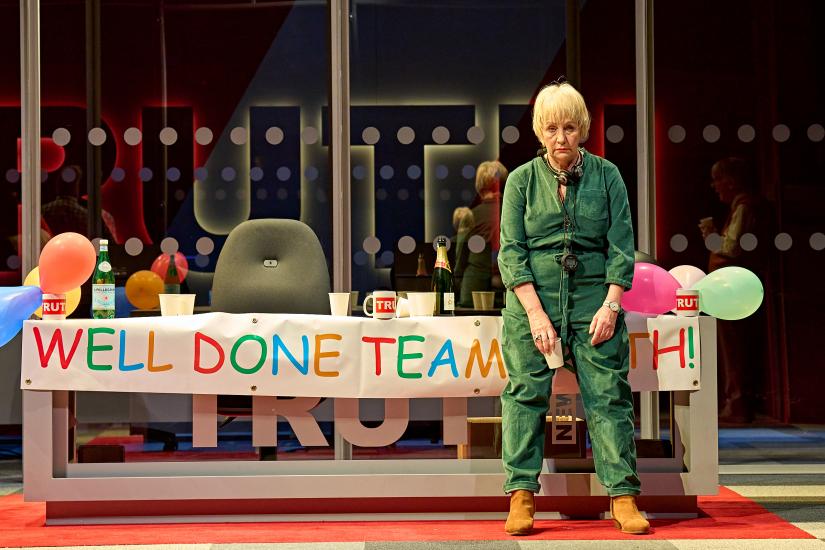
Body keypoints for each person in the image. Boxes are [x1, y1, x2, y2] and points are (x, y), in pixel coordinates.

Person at [497, 81, 648, 535]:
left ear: (582, 129)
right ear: (538, 133)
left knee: (608, 396)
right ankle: (521, 496)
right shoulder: (521, 180)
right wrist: (537, 315)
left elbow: (621, 246)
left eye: (568, 127)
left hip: (593, 301)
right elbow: (511, 252)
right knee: (525, 395)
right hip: (531, 302)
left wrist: (611, 305)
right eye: (550, 129)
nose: (560, 138)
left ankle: (623, 496)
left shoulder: (608, 176)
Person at [698, 157, 772, 422]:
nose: (715, 186)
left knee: (733, 347)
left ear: (730, 181)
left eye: (718, 179)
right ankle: (735, 401)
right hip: (729, 289)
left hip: (733, 290)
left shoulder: (744, 207)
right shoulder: (740, 206)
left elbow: (732, 248)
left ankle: (738, 403)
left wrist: (711, 236)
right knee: (731, 346)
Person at [454, 161, 506, 307]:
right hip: (511, 289)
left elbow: (460, 257)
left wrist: (455, 285)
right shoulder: (519, 213)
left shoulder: (471, 216)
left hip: (474, 294)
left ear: (479, 185)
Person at [42, 165, 89, 236]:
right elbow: (103, 240)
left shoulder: (42, 212)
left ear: (58, 185)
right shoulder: (86, 216)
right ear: (76, 187)